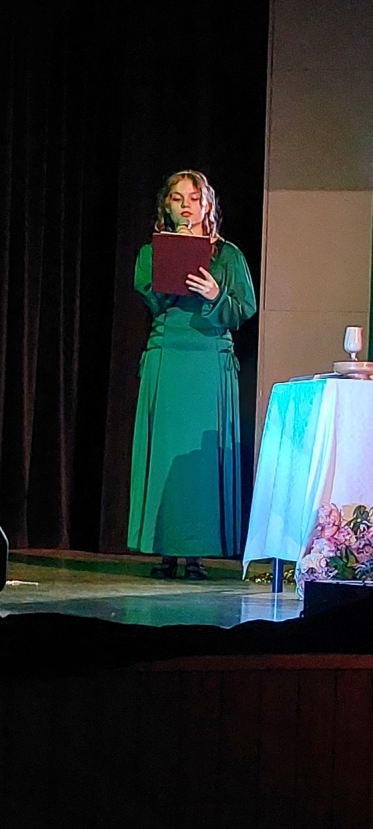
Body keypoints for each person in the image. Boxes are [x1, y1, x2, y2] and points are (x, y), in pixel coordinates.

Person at [128, 170, 257, 579]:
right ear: (166, 206)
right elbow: (151, 299)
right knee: (166, 453)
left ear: (208, 206)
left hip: (209, 359)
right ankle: (165, 550)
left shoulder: (228, 256)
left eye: (195, 198)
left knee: (201, 463)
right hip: (169, 355)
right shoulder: (151, 252)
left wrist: (215, 294)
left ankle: (197, 553)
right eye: (177, 198)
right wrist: (175, 262)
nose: (186, 206)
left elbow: (244, 310)